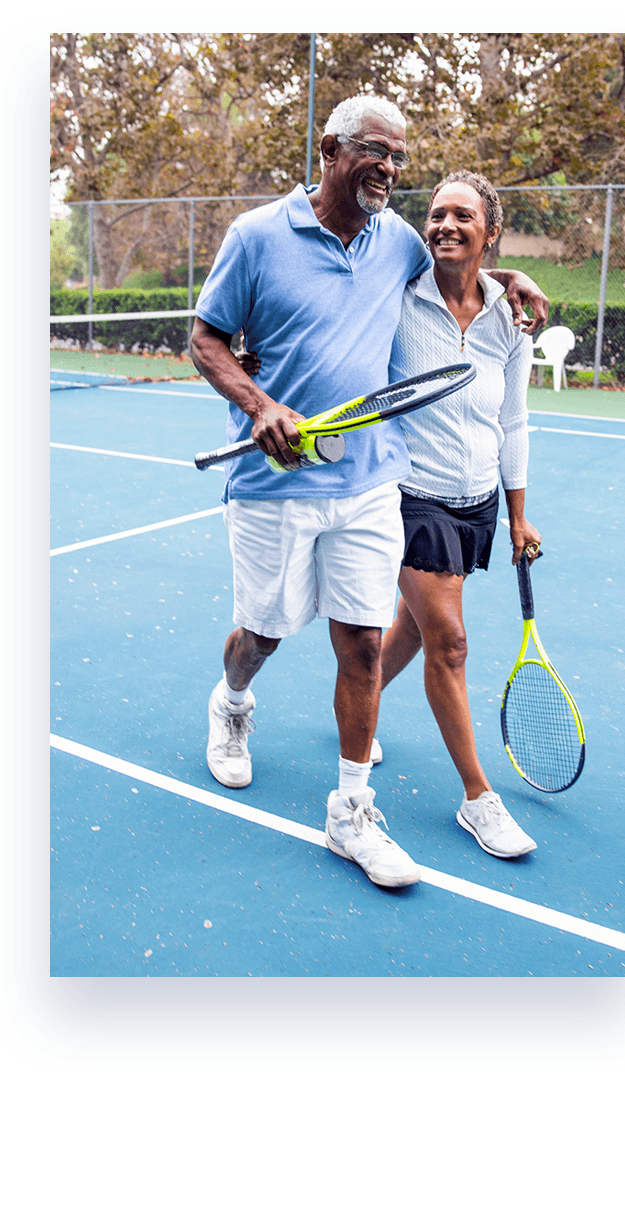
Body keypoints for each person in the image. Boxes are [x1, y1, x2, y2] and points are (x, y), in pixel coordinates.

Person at [190, 95, 548, 890]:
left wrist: (508, 275)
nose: (388, 168)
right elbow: (206, 338)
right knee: (265, 635)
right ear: (329, 148)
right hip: (271, 484)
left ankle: (351, 810)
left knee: (359, 644)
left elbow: (460, 267)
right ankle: (233, 700)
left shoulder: (397, 244)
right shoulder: (255, 237)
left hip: (369, 482)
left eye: (399, 157)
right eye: (375, 152)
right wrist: (260, 405)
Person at [380, 171, 541, 858]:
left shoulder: (511, 316)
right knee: (450, 640)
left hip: (476, 500)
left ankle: (359, 693)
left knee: (416, 631)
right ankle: (479, 798)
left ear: (489, 232)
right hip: (409, 492)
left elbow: (514, 421)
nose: (445, 224)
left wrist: (518, 515)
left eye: (463, 216)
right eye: (437, 214)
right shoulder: (397, 290)